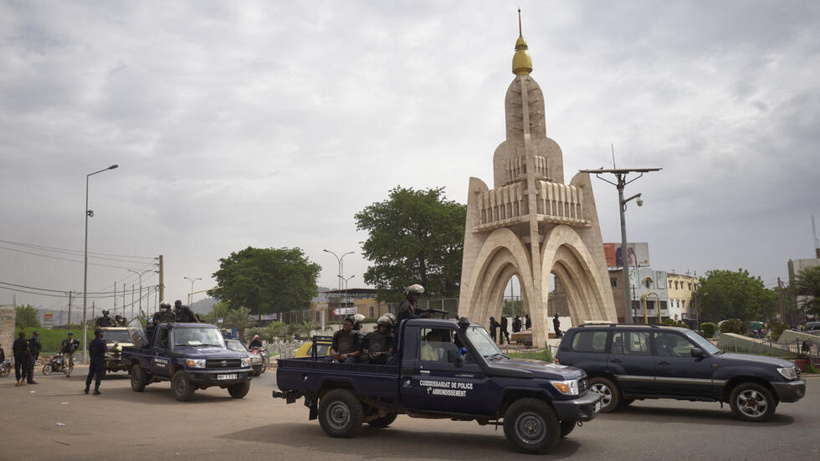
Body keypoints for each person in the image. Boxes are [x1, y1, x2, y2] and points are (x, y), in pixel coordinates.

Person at [85, 329, 118, 395]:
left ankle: (87, 388)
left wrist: (92, 358)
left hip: (93, 360)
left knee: (90, 374)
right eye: (102, 333)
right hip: (100, 360)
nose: (103, 334)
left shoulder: (92, 342)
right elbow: (106, 350)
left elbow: (90, 352)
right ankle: (96, 390)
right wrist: (114, 347)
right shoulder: (102, 342)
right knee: (98, 375)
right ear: (99, 334)